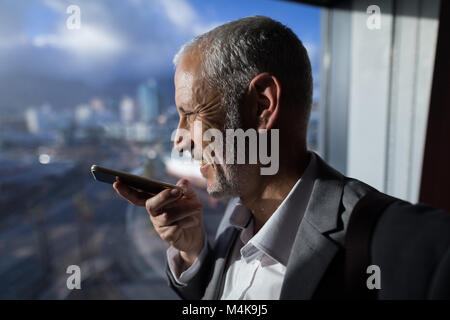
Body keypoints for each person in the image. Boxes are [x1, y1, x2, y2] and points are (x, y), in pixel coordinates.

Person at [113, 16, 450, 299]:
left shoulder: (417, 247)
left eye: (190, 113)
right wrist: (191, 250)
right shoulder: (237, 219)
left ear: (262, 105)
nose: (179, 136)